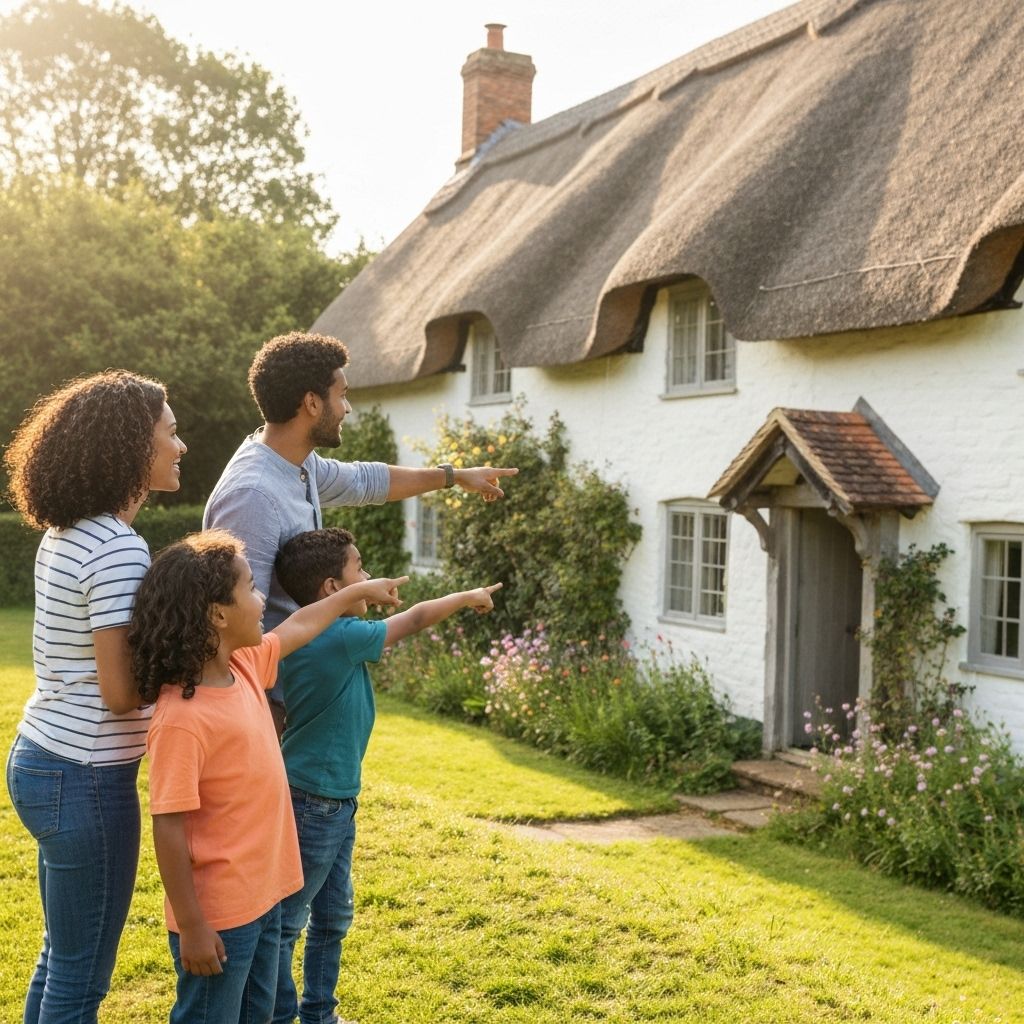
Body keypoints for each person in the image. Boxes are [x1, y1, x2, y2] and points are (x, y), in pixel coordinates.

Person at [127, 530, 408, 1024]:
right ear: (217, 614)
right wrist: (192, 924)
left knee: (260, 1013)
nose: (262, 601)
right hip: (220, 915)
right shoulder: (182, 719)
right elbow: (168, 827)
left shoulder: (245, 665)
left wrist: (358, 592)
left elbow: (303, 623)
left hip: (267, 894)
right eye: (251, 589)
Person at [202, 330, 516, 730]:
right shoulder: (253, 495)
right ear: (313, 403)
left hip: (296, 704)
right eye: (343, 394)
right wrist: (262, 723)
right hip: (269, 713)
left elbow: (367, 481)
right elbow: (233, 622)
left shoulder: (298, 464)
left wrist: (455, 476)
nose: (348, 408)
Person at [3, 370, 186, 1024]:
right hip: (83, 779)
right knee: (79, 978)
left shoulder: (68, 532)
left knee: (60, 958)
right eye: (169, 431)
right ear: (131, 447)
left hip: (42, 760)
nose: (180, 445)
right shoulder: (114, 548)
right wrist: (197, 666)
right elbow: (119, 692)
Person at [270, 526, 500, 1024]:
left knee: (332, 917)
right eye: (360, 569)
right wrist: (466, 596)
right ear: (334, 588)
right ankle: (279, 1015)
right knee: (290, 922)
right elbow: (413, 619)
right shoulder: (339, 637)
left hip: (332, 796)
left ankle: (319, 1013)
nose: (369, 576)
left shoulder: (312, 632)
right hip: (317, 798)